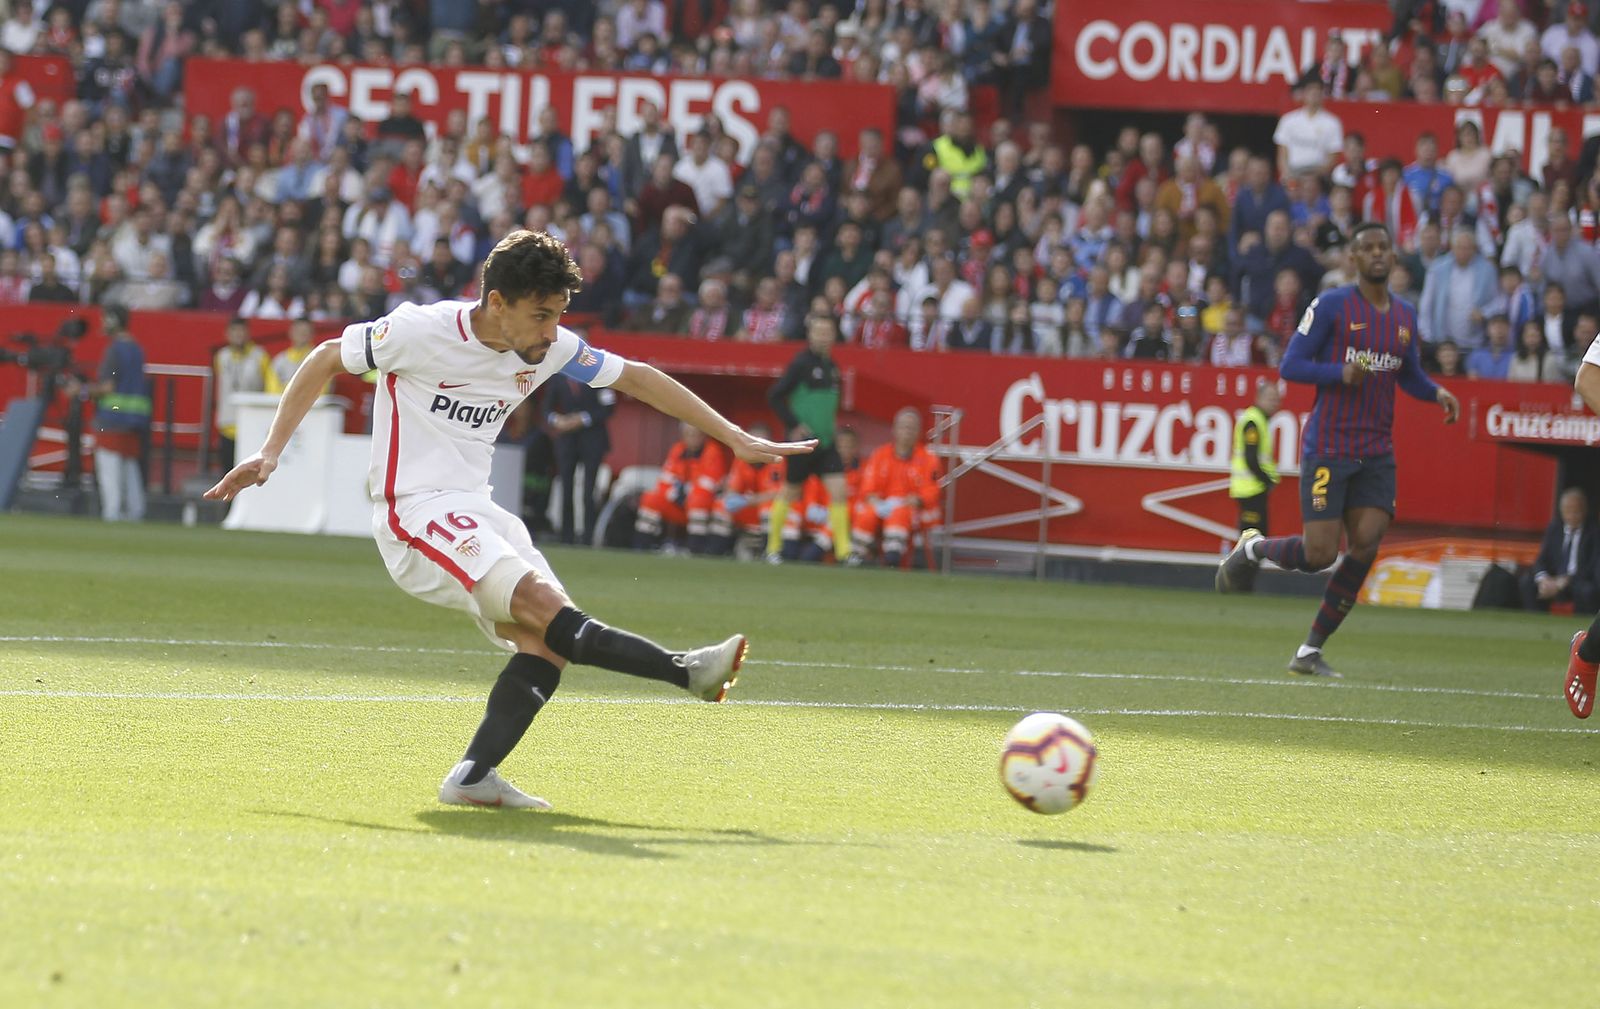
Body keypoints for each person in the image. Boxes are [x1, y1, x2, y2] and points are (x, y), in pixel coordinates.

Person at [204, 230, 813, 808]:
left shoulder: (548, 346)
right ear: (497, 303)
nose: (554, 331)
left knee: (546, 644)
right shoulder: (419, 331)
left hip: (478, 509)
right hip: (415, 513)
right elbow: (325, 358)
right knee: (551, 615)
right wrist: (271, 451)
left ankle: (473, 776)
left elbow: (640, 380)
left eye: (560, 314)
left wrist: (733, 436)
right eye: (542, 314)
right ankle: (686, 672)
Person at [1216, 222, 1460, 678]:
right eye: (1366, 248)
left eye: (1383, 247)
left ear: (1393, 255)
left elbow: (1406, 374)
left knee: (1366, 543)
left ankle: (1310, 649)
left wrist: (1435, 393)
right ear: (1353, 258)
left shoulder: (1405, 315)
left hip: (1376, 451)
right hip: (1329, 446)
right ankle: (1253, 549)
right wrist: (1339, 373)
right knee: (1318, 554)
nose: (1377, 254)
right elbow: (1291, 364)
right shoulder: (1332, 305)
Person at [766, 315, 853, 564]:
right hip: (803, 444)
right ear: (810, 335)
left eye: (828, 332)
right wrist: (794, 425)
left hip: (825, 443)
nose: (824, 337)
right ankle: (773, 547)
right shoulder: (801, 364)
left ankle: (844, 551)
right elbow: (774, 396)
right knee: (790, 491)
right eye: (819, 332)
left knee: (839, 491)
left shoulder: (833, 366)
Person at [78, 306, 149, 522]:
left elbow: (108, 387)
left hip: (111, 419)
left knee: (110, 475)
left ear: (112, 320)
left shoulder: (114, 350)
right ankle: (135, 515)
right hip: (134, 421)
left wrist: (83, 390)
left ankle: (112, 515)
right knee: (129, 470)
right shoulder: (136, 349)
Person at [849, 408, 941, 568]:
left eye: (911, 428)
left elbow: (932, 491)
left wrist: (917, 499)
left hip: (912, 509)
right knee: (866, 513)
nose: (907, 431)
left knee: (899, 514)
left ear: (919, 432)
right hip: (883, 505)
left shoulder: (928, 459)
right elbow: (868, 487)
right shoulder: (880, 454)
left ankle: (892, 559)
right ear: (894, 429)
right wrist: (875, 501)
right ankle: (856, 556)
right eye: (903, 426)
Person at [543, 372, 615, 546]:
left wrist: (583, 419)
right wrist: (556, 420)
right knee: (566, 486)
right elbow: (546, 408)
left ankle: (587, 537)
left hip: (593, 439)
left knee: (589, 490)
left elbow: (608, 407)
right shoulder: (558, 378)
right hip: (567, 439)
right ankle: (566, 536)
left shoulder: (598, 376)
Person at [1228, 380, 1283, 588]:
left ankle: (1243, 583)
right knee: (1253, 539)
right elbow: (1251, 458)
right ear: (1258, 399)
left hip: (1252, 489)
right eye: (1270, 398)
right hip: (1250, 489)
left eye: (1277, 398)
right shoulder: (1253, 421)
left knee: (1254, 538)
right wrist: (1267, 480)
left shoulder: (1258, 420)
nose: (1275, 402)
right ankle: (1240, 583)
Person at [1524, 487, 1599, 614]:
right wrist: (1544, 579)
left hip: (1577, 580)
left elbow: (1593, 566)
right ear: (1561, 512)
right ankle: (1535, 619)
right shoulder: (1554, 529)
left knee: (1587, 591)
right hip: (1553, 579)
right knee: (1526, 583)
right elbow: (1541, 560)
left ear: (1584, 511)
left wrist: (1565, 581)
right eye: (1568, 512)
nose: (1572, 516)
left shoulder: (1593, 532)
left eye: (1576, 512)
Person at [213, 317, 270, 471]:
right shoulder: (221, 356)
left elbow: (268, 386)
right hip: (227, 423)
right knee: (227, 473)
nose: (238, 335)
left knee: (248, 473)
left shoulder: (260, 356)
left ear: (248, 333)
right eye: (234, 331)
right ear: (227, 334)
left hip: (251, 423)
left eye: (241, 331)